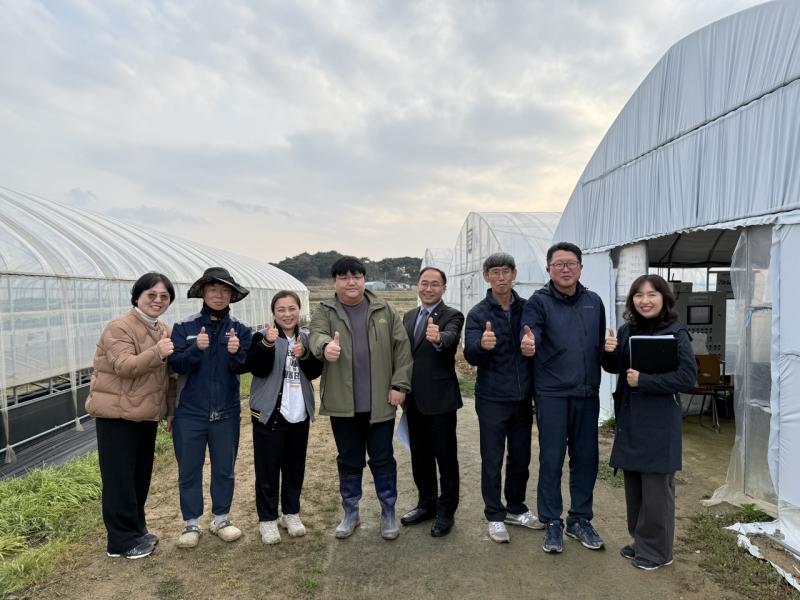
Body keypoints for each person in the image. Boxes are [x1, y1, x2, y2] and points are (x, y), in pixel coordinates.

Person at [308, 256, 413, 541]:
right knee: (349, 460)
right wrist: (324, 347)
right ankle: (351, 512)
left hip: (380, 403)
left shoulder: (384, 309)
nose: (350, 282)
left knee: (383, 459)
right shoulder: (325, 310)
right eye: (344, 277)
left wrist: (399, 385)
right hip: (344, 405)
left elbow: (402, 349)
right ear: (335, 282)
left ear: (364, 279)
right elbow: (314, 335)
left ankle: (388, 511)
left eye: (356, 276)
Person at [602, 274, 697, 571]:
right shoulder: (627, 329)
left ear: (664, 298)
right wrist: (608, 352)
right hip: (631, 419)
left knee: (656, 491)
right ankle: (642, 541)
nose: (645, 300)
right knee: (635, 488)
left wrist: (645, 380)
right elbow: (616, 367)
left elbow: (687, 377)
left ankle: (658, 552)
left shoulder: (676, 332)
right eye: (639, 295)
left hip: (659, 422)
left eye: (652, 294)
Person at [521, 242, 606, 554]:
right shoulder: (538, 302)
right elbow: (531, 335)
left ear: (581, 268)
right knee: (552, 458)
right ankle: (552, 521)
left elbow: (598, 346)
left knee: (586, 460)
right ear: (548, 270)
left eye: (571, 263)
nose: (566, 269)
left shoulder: (594, 302)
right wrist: (528, 344)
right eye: (559, 264)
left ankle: (580, 519)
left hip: (587, 393)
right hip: (552, 393)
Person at [86, 271, 176, 559]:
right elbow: (125, 366)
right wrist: (159, 352)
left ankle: (136, 530)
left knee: (139, 476)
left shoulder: (161, 328)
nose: (158, 301)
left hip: (144, 415)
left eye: (164, 296)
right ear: (137, 296)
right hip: (117, 415)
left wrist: (170, 411)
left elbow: (167, 377)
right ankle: (120, 542)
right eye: (151, 295)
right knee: (119, 478)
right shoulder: (120, 327)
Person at [168, 267, 253, 549]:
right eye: (213, 289)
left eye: (225, 290)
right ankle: (191, 522)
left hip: (227, 412)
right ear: (203, 292)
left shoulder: (240, 330)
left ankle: (221, 519)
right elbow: (175, 364)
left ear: (232, 295)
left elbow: (245, 367)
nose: (219, 295)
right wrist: (196, 349)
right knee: (189, 469)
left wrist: (236, 353)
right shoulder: (185, 327)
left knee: (224, 468)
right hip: (190, 413)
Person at [464, 253, 540, 544]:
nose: (500, 277)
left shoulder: (527, 308)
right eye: (494, 272)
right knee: (492, 458)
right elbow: (470, 352)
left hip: (522, 398)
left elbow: (538, 338)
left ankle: (516, 508)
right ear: (486, 276)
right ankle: (495, 515)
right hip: (492, 397)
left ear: (514, 273)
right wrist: (482, 346)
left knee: (521, 456)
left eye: (505, 271)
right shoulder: (479, 313)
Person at [243, 290, 323, 545]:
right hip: (270, 414)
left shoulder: (306, 338)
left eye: (292, 309)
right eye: (281, 310)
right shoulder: (262, 337)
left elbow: (314, 373)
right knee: (267, 470)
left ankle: (291, 513)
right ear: (274, 313)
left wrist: (305, 355)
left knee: (294, 468)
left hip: (298, 413)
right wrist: (268, 343)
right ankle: (267, 519)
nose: (287, 314)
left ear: (299, 311)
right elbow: (257, 368)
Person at [400, 267, 465, 537]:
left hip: (440, 401)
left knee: (446, 458)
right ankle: (426, 503)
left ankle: (446, 511)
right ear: (417, 286)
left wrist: (439, 338)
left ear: (443, 288)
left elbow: (450, 339)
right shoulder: (409, 316)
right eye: (424, 283)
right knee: (420, 456)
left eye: (434, 284)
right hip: (413, 400)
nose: (428, 289)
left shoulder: (452, 315)